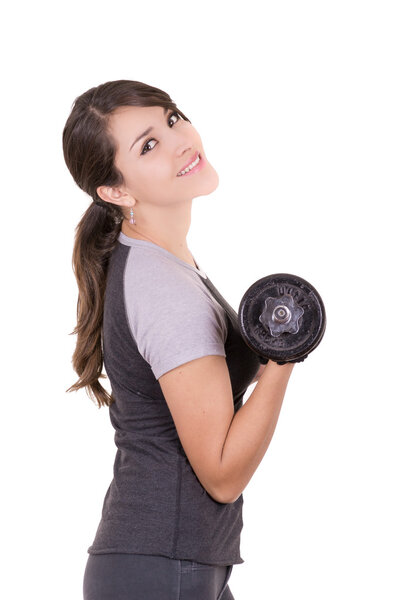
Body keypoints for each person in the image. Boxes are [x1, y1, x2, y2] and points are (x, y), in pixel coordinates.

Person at [63, 79, 296, 600]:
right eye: (148, 145)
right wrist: (285, 359)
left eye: (172, 119)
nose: (180, 140)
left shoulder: (160, 261)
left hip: (171, 563)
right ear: (116, 191)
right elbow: (221, 474)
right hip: (161, 567)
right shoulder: (163, 287)